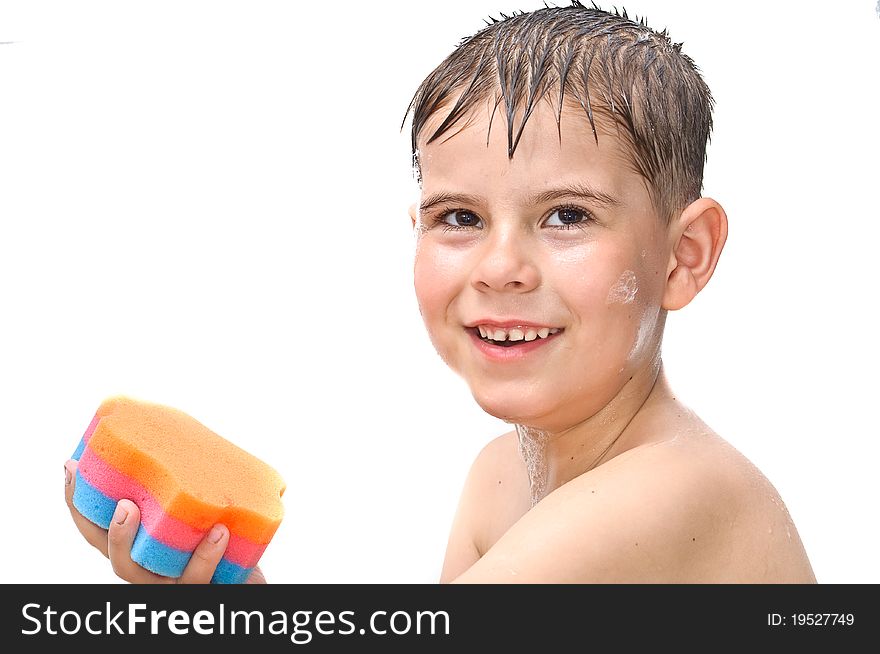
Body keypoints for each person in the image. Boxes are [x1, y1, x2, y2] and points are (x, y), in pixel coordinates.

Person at [64, 1, 816, 583]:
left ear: (684, 257)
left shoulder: (678, 489)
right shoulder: (500, 475)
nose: (500, 267)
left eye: (567, 216)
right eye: (459, 217)